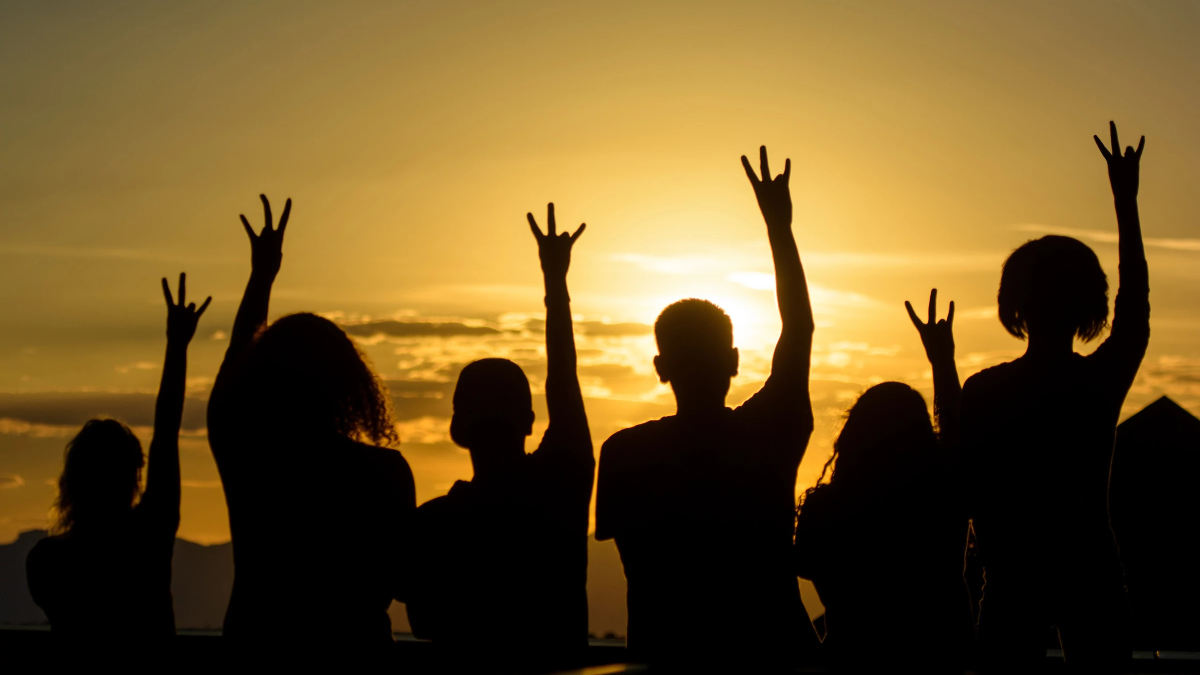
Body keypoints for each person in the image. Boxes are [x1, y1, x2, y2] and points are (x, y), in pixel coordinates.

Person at [595, 147, 819, 669]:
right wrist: (779, 228)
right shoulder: (770, 432)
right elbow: (799, 329)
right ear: (735, 361)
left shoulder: (625, 453)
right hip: (774, 659)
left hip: (666, 662)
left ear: (660, 367)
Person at [962, 123, 1150, 670]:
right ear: (1090, 307)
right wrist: (1126, 203)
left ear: (1013, 305)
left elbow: (965, 490)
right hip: (1090, 571)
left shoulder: (986, 390)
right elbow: (1135, 311)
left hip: (1011, 578)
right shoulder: (1094, 384)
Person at [206, 195, 415, 645]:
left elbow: (230, 377)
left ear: (261, 381)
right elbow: (404, 581)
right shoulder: (383, 472)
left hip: (256, 646)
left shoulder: (251, 465)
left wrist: (261, 276)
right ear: (350, 385)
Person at [405, 204, 594, 671]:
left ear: (455, 429)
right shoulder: (562, 484)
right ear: (530, 421)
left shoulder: (433, 524)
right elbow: (564, 382)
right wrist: (555, 282)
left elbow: (423, 623)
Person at [794, 290, 974, 670]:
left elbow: (800, 570)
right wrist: (942, 362)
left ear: (852, 436)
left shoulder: (825, 509)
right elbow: (957, 434)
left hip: (851, 660)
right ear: (923, 435)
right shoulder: (941, 496)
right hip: (942, 659)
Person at [27, 275, 210, 643]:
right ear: (134, 475)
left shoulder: (47, 561)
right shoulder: (148, 536)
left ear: (71, 479)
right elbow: (166, 431)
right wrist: (177, 347)